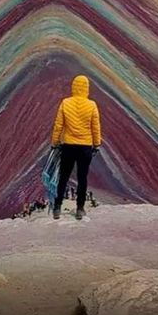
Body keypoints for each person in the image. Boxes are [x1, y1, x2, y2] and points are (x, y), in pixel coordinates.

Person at [50, 74, 102, 220]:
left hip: (68, 146)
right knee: (82, 178)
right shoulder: (92, 105)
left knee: (63, 177)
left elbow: (58, 125)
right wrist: (97, 143)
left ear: (73, 87)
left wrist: (55, 143)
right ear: (86, 88)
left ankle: (57, 208)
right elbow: (95, 127)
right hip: (85, 147)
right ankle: (79, 209)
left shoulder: (65, 103)